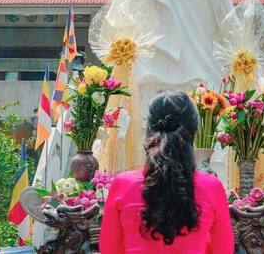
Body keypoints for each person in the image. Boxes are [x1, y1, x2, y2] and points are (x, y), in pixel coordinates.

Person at [99, 91, 234, 253]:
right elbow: (223, 250)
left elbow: (110, 249)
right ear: (193, 133)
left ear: (148, 129)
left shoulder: (122, 185)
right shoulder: (211, 187)